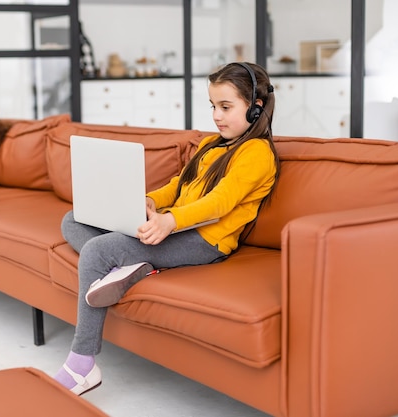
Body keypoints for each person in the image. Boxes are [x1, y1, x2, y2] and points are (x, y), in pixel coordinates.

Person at [54, 62, 280, 395]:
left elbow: (220, 202)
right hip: (175, 225)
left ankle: (82, 364)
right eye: (213, 106)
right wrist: (148, 203)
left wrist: (170, 221)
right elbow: (177, 186)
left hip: (205, 241)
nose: (216, 115)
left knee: (96, 251)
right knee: (74, 218)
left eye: (226, 107)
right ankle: (135, 267)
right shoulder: (210, 145)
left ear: (255, 108)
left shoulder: (257, 153)